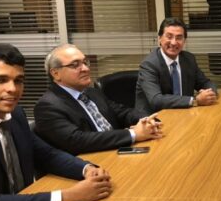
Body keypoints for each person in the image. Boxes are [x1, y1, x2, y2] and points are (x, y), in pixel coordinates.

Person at [0, 44, 112, 201]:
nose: (12, 89)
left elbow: (47, 155)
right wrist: (69, 196)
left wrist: (86, 169)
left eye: (18, 80)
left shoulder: (16, 114)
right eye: (0, 80)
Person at [34, 44, 163, 155]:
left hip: (115, 152)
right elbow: (78, 141)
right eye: (75, 65)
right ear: (56, 73)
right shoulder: (48, 106)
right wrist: (133, 134)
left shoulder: (91, 92)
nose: (85, 69)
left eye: (85, 62)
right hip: (89, 164)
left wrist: (148, 120)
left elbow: (122, 112)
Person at [136, 17, 218, 112]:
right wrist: (195, 101)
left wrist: (209, 94)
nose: (174, 42)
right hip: (153, 117)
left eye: (179, 38)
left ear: (184, 41)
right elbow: (156, 100)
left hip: (183, 114)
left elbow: (205, 83)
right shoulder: (149, 65)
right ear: (159, 38)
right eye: (169, 37)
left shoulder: (188, 59)